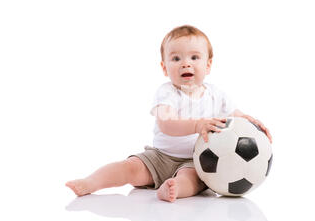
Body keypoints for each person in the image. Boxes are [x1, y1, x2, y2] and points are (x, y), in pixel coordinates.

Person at [66, 25, 272, 202]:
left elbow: (237, 118)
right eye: (176, 58)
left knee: (190, 180)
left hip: (199, 161)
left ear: (208, 65)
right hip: (160, 156)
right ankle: (91, 182)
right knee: (129, 168)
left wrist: (252, 122)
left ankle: (172, 188)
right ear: (164, 68)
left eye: (194, 57)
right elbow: (166, 124)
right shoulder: (167, 93)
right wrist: (197, 125)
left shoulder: (217, 96)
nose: (186, 63)